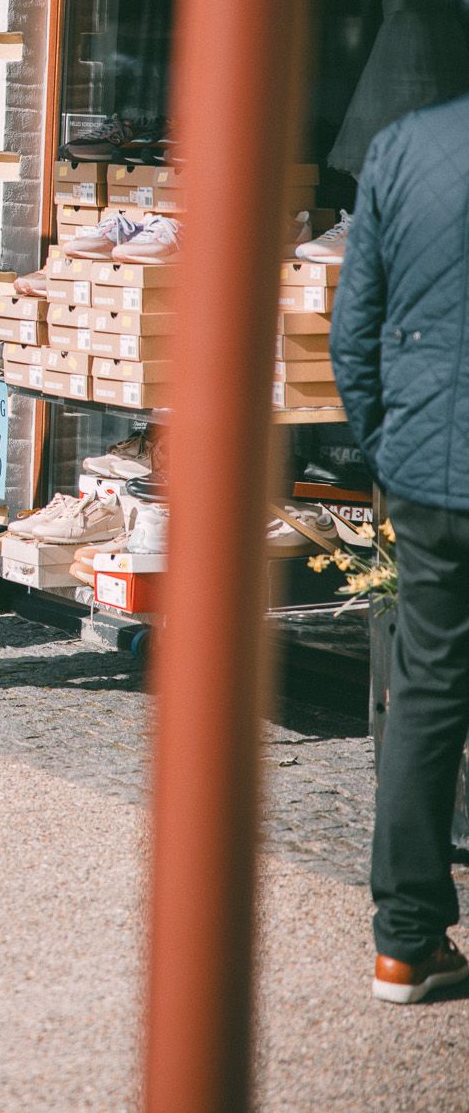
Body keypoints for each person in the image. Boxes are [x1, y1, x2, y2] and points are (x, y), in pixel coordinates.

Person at [330, 90, 469, 1005]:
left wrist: (387, 448)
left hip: (428, 464)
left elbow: (354, 332)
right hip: (424, 453)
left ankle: (405, 943)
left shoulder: (405, 146)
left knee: (427, 688)